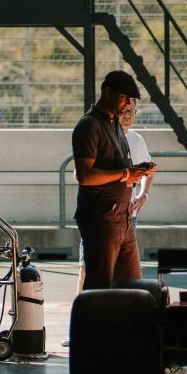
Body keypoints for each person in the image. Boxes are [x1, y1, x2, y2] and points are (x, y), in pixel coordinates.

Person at [72, 70, 155, 291]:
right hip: (102, 219)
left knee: (133, 286)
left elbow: (117, 164)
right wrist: (126, 174)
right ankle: (93, 326)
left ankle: (127, 325)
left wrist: (138, 170)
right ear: (108, 92)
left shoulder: (115, 125)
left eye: (131, 101)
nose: (128, 104)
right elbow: (84, 175)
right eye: (124, 97)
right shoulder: (89, 126)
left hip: (124, 218)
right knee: (99, 286)